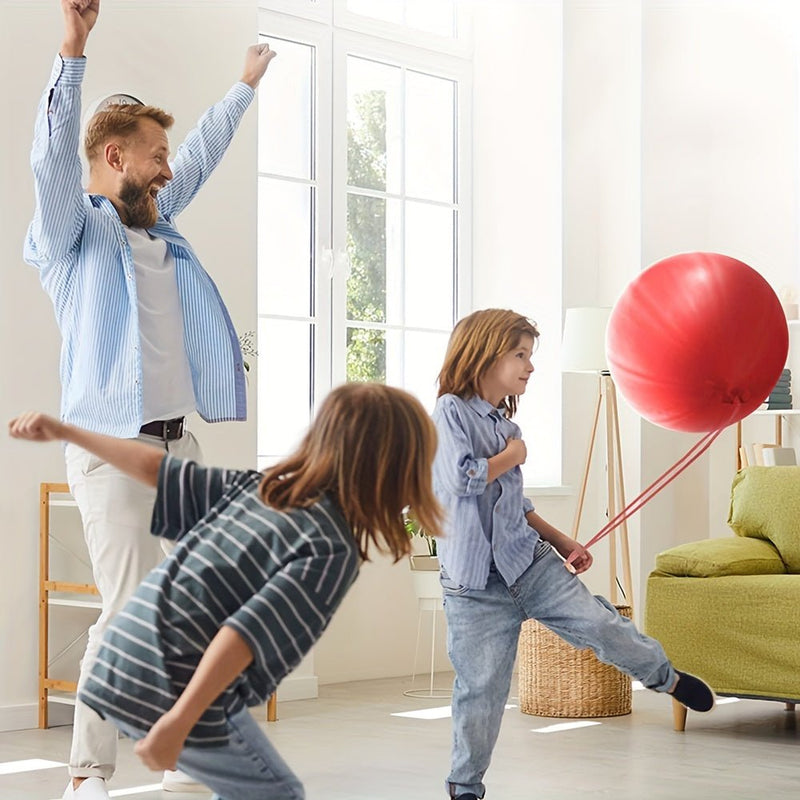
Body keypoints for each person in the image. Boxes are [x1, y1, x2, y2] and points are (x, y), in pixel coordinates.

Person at [24, 2, 276, 797]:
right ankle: (87, 772)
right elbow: (49, 168)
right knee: (128, 607)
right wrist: (73, 51)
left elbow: (198, 155)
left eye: (169, 158)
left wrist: (242, 87)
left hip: (178, 449)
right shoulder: (74, 238)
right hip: (109, 445)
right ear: (115, 157)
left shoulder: (162, 229)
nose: (170, 170)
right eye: (156, 157)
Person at [9, 382, 444, 800]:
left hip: (124, 658)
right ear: (389, 470)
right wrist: (178, 722)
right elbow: (243, 633)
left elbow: (156, 469)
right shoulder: (329, 549)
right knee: (274, 791)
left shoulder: (261, 489)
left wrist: (68, 433)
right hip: (164, 678)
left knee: (253, 782)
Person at [431, 309, 715, 800]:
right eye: (520, 355)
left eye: (529, 356)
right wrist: (512, 457)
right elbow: (460, 479)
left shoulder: (503, 422)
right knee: (481, 693)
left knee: (600, 626)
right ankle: (465, 786)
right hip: (475, 586)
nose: (530, 367)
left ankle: (664, 677)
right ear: (484, 352)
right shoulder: (450, 413)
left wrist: (564, 541)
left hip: (529, 563)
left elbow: (511, 504)